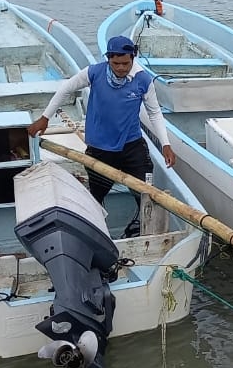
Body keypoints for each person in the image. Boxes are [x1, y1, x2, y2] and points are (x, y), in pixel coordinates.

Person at [27, 35, 175, 237]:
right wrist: (45, 117)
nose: (121, 68)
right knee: (96, 195)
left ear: (133, 57)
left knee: (145, 192)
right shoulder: (94, 73)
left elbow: (154, 112)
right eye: (116, 63)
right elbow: (65, 89)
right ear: (108, 59)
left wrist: (165, 144)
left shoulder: (143, 79)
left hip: (132, 145)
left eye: (126, 63)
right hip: (100, 149)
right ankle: (94, 230)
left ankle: (142, 227)